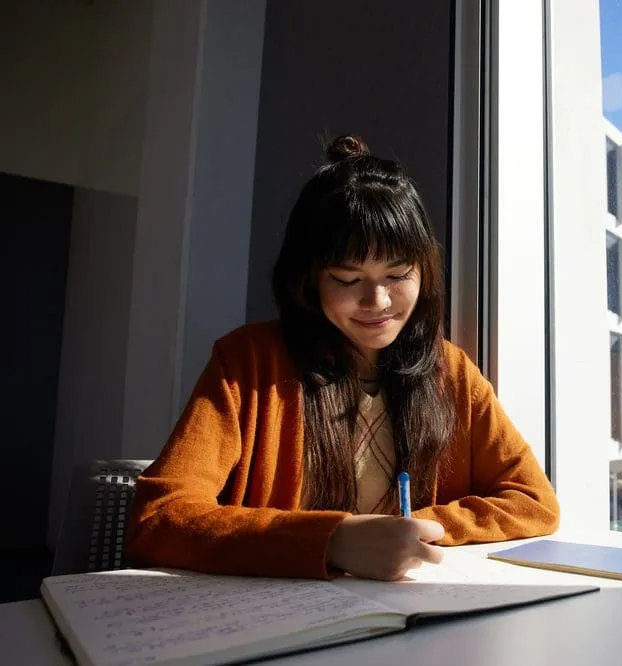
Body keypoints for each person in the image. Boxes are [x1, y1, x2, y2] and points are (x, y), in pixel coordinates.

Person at [125, 135, 558, 581]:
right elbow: (158, 518)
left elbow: (532, 502)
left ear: (424, 271)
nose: (378, 300)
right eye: (348, 279)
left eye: (397, 274)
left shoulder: (451, 371)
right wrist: (334, 540)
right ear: (308, 279)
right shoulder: (247, 363)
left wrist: (414, 531)